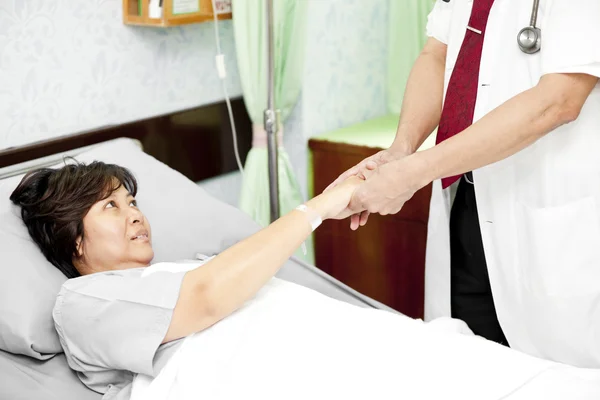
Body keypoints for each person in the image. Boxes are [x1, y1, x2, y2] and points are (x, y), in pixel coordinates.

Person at [328, 0, 600, 368]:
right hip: (466, 203)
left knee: (558, 377)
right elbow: (438, 54)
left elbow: (559, 99)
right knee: (469, 368)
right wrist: (400, 151)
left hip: (548, 219)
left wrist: (416, 171)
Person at [9, 160, 361, 400]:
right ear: (76, 239)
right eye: (111, 206)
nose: (134, 214)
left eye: (131, 202)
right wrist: (320, 208)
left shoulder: (182, 269)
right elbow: (206, 298)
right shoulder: (82, 302)